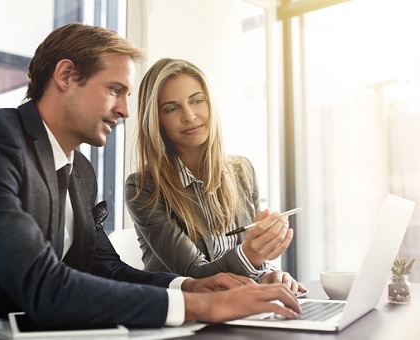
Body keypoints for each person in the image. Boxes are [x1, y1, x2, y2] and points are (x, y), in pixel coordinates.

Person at [0, 24, 301, 339]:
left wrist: (192, 286)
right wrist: (202, 308)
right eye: (115, 90)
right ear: (66, 76)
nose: (125, 110)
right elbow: (43, 286)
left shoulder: (80, 172)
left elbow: (105, 268)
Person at [124, 58, 306, 295]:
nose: (189, 116)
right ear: (156, 120)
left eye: (197, 101)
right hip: (189, 313)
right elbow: (196, 276)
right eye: (171, 108)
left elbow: (252, 260)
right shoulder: (143, 187)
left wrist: (268, 272)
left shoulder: (243, 170)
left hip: (242, 305)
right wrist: (252, 254)